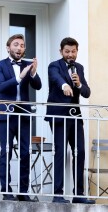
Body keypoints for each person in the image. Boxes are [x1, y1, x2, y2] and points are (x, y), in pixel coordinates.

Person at [45, 37, 95, 204]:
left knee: (79, 152)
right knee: (60, 153)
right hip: (59, 116)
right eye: (67, 51)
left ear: (77, 52)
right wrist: (64, 86)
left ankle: (78, 195)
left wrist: (79, 84)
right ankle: (57, 195)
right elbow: (55, 78)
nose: (70, 55)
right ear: (61, 51)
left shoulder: (79, 68)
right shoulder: (54, 65)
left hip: (75, 116)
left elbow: (86, 92)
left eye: (73, 52)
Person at [0, 34, 42, 201]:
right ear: (8, 48)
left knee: (25, 153)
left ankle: (23, 192)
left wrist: (34, 73)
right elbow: (1, 86)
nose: (19, 48)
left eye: (22, 45)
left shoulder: (28, 65)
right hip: (5, 115)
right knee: (5, 153)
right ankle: (6, 191)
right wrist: (19, 77)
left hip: (24, 115)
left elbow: (38, 86)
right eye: (16, 45)